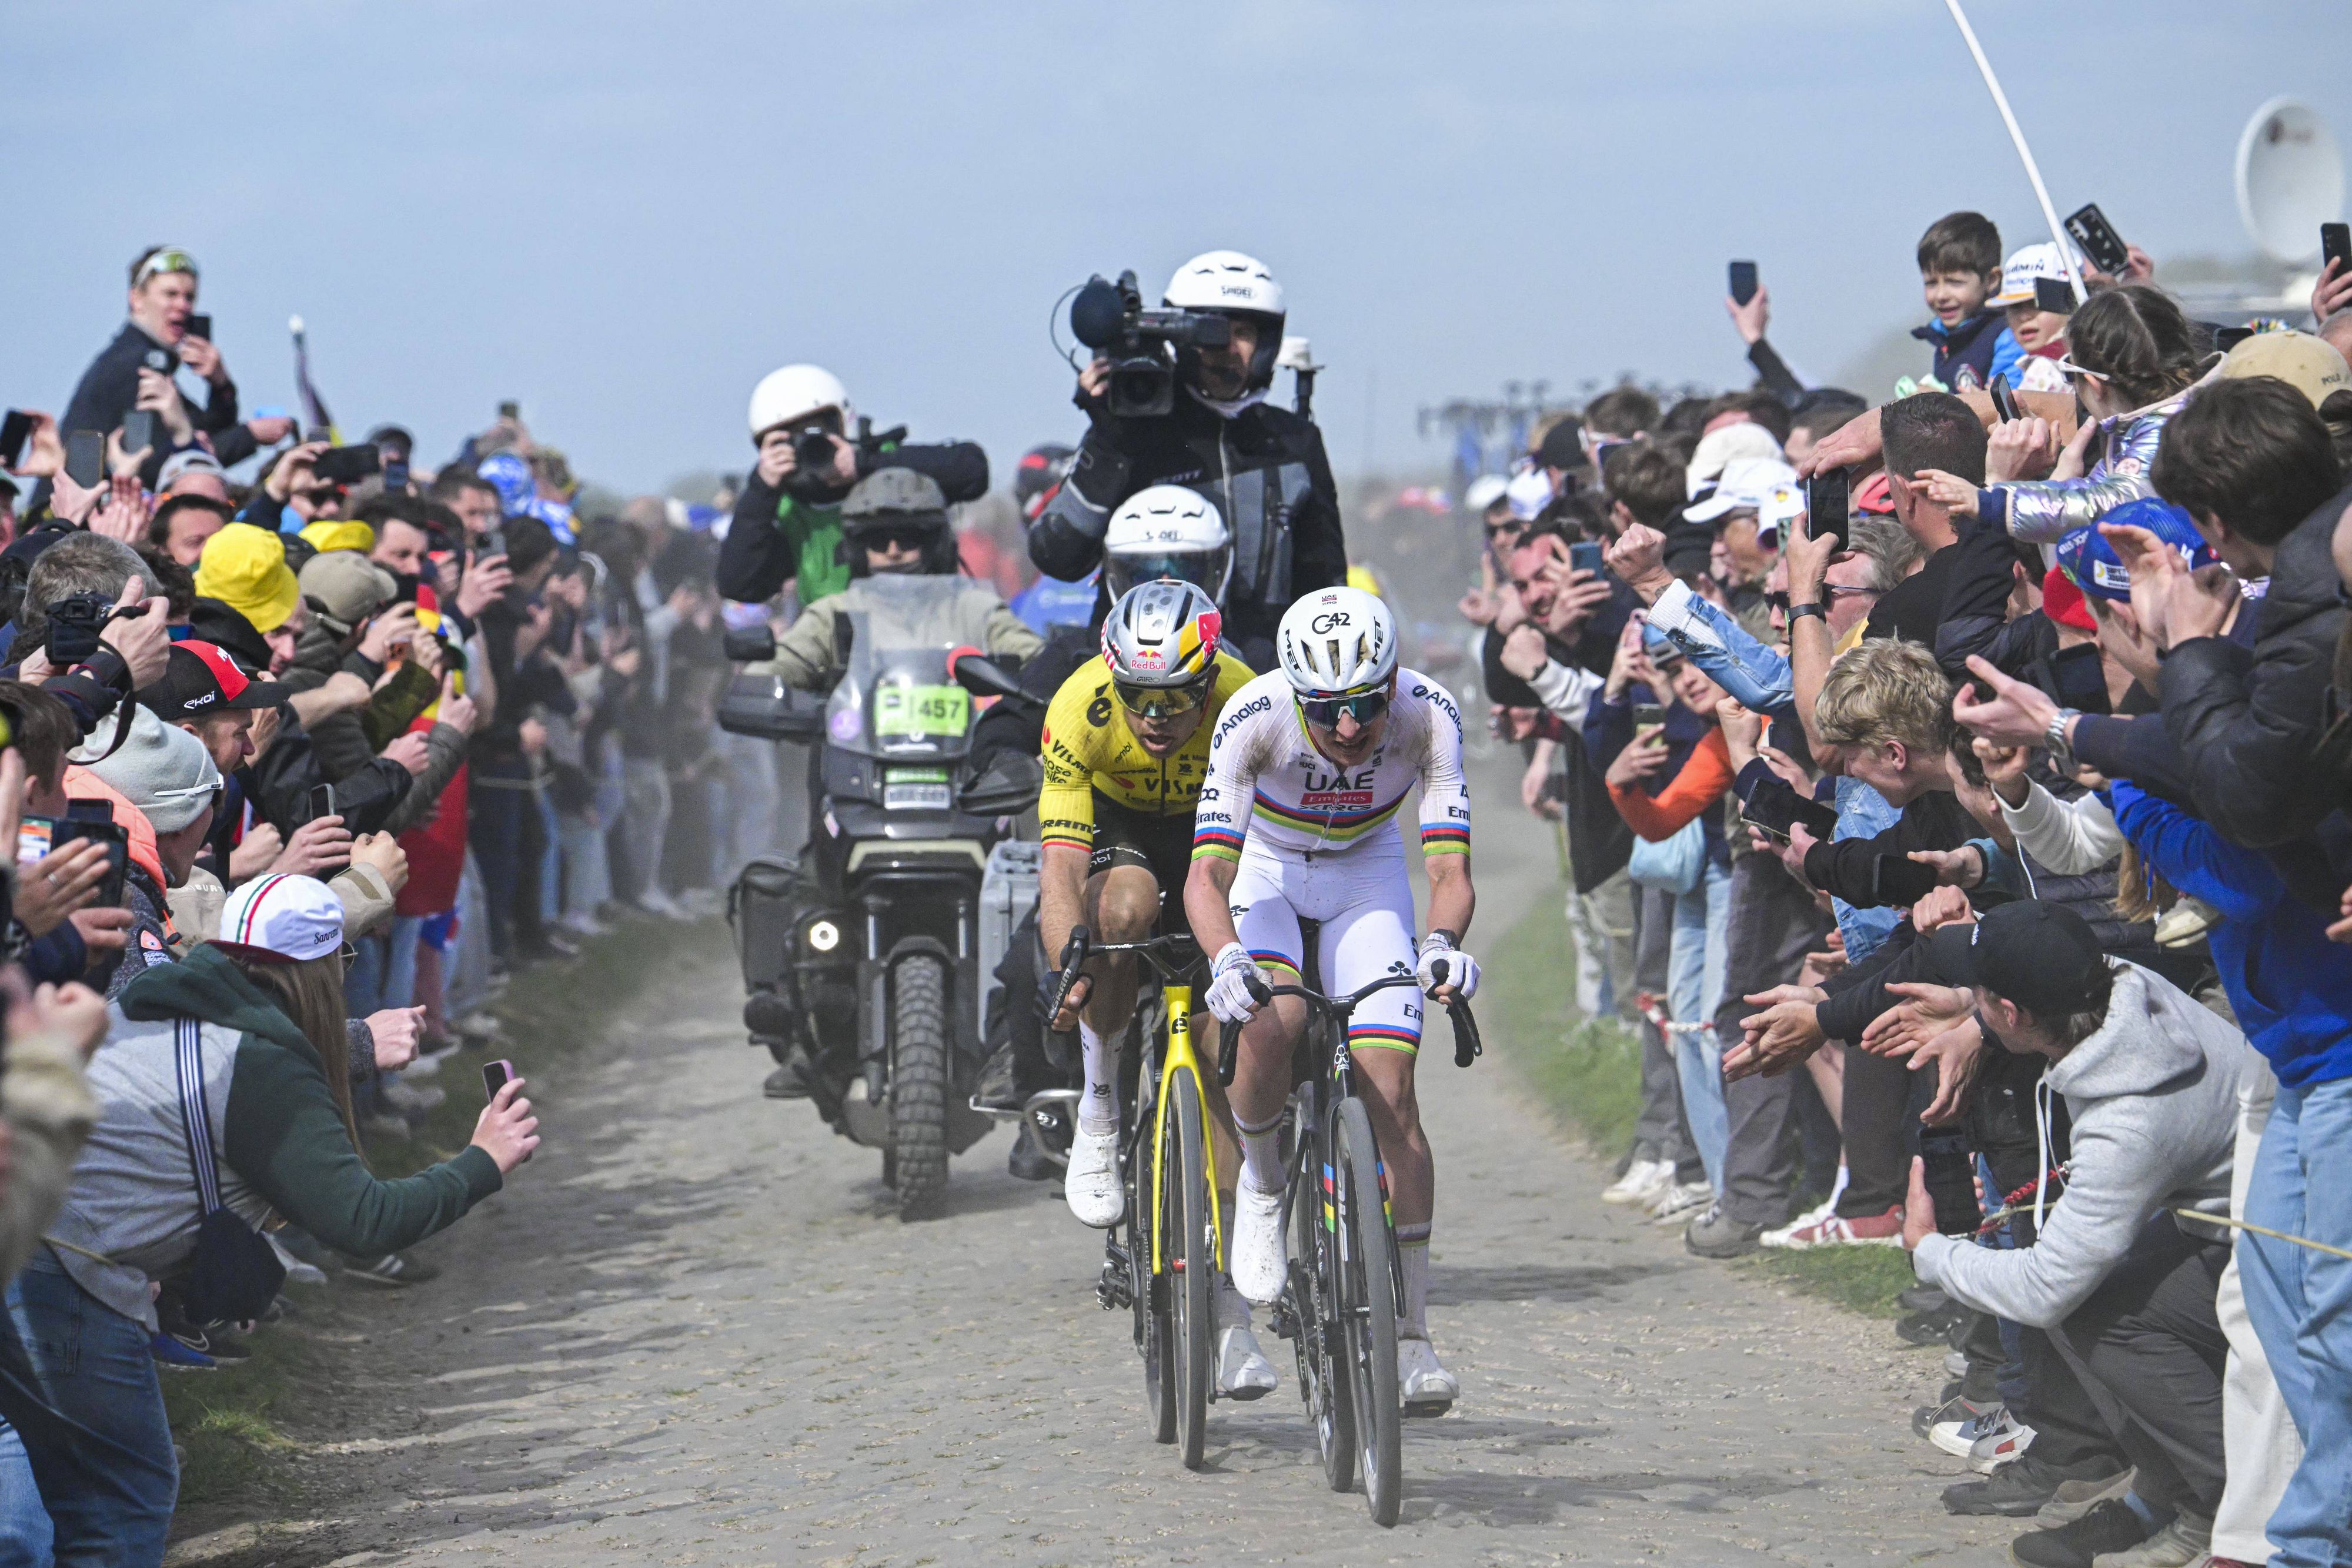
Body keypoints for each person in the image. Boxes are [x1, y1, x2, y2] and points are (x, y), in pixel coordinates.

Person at [18, 873, 536, 1564]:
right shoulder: (258, 1062)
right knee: (121, 1501)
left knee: (28, 1515)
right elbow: (363, 1220)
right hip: (62, 1274)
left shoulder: (149, 1001)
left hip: (21, 1240)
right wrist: (482, 1161)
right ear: (321, 971)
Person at [1185, 586, 1479, 1413]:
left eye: (1364, 703)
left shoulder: (1431, 714)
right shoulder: (1254, 716)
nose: (1349, 727)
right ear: (1296, 693)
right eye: (1326, 709)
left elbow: (1450, 870)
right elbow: (1205, 874)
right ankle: (1264, 1186)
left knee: (1391, 1088)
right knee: (1272, 1018)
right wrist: (1227, 956)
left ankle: (1415, 1334)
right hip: (1270, 872)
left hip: (1365, 875)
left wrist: (1441, 946)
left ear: (1392, 681)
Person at [1899, 901, 2256, 1568]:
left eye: (1977, 996)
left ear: (2014, 1015)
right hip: (2234, 1218)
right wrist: (1970, 1023)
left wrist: (1930, 1251)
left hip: (2276, 1247)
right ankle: (2165, 1494)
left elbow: (2044, 1292)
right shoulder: (2111, 979)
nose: (1968, 1003)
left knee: (2096, 1312)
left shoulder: (2130, 1120)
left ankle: (2231, 1510)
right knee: (2098, 1290)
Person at [731, 469, 1042, 1095]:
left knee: (1037, 899)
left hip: (966, 793)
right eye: (880, 539)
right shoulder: (835, 612)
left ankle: (1026, 1044)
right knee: (791, 892)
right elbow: (783, 668)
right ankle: (800, 1034)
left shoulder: (974, 605)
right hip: (861, 792)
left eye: (908, 536)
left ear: (933, 541)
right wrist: (763, 684)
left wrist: (1041, 681)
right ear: (856, 548)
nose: (894, 549)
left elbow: (1030, 658)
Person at [1038, 580, 1273, 1396]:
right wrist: (1070, 963)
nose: (1159, 715)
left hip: (1218, 843)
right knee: (1120, 912)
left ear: (1210, 678)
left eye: (1179, 695)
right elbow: (1062, 867)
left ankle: (1232, 1311)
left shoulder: (1249, 698)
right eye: (1141, 695)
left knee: (1221, 1059)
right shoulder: (1078, 708)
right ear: (1114, 678)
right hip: (1123, 834)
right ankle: (1100, 1107)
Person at [1028, 251, 1348, 668]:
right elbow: (1058, 556)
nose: (1226, 349)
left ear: (1268, 344)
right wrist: (1109, 437)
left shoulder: (1294, 444)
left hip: (1255, 677)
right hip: (1138, 672)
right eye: (1210, 331)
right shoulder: (1134, 431)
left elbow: (1325, 585)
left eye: (1244, 333)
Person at [715, 363, 989, 607]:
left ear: (842, 424)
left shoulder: (893, 472)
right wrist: (761, 491)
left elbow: (973, 472)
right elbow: (740, 585)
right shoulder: (787, 512)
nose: (806, 451)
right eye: (789, 443)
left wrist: (864, 464)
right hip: (834, 653)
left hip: (925, 634)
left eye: (815, 437)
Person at [46, 247, 292, 500]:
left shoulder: (144, 360)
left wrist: (220, 385)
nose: (183, 306)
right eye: (170, 294)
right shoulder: (133, 366)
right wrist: (250, 435)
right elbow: (161, 465)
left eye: (189, 297)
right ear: (137, 299)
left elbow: (204, 434)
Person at [1910, 211, 2021, 394]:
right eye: (1931, 283)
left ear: (1992, 280)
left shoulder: (2007, 335)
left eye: (1954, 282)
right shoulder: (1945, 337)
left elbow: (2011, 408)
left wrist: (1941, 403)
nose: (1941, 295)